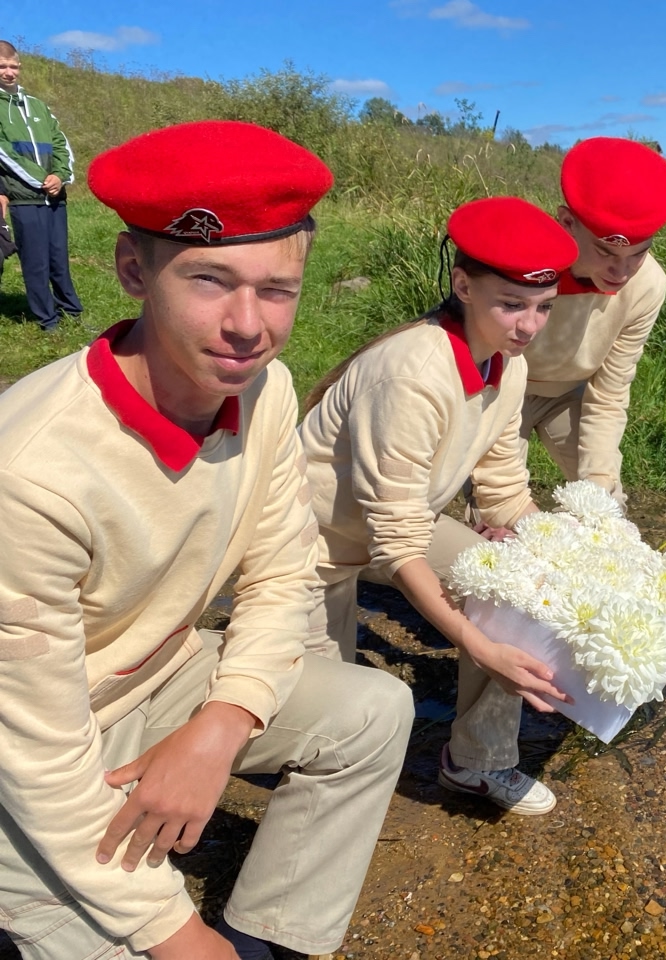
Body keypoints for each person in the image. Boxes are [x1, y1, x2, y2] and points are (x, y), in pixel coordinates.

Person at [0, 120, 414, 960]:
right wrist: (176, 932)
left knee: (374, 709)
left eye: (278, 289)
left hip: (164, 669)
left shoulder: (265, 390)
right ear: (132, 270)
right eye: (210, 281)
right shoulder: (31, 473)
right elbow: (36, 758)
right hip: (39, 736)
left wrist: (222, 723)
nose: (247, 326)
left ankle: (270, 935)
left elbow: (282, 570)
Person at [301, 196, 577, 816]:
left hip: (393, 526)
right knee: (325, 719)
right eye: (512, 304)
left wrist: (582, 559)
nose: (530, 325)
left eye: (544, 307)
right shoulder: (412, 375)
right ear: (464, 286)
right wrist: (478, 645)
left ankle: (477, 762)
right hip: (308, 543)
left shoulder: (508, 364)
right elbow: (396, 541)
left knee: (514, 584)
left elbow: (503, 491)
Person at [520, 136, 666, 507]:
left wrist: (598, 484)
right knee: (496, 517)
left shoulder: (648, 284)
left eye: (638, 254)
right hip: (498, 390)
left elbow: (609, 392)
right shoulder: (521, 263)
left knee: (607, 506)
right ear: (567, 223)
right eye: (605, 252)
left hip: (567, 392)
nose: (621, 273)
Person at [0, 40, 83, 330]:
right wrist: (40, 179)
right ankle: (47, 320)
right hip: (25, 197)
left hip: (55, 196)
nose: (9, 72)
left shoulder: (37, 105)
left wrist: (60, 175)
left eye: (13, 66)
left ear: (20, 67)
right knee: (36, 262)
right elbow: (4, 152)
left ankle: (71, 311)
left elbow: (61, 143)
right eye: (2, 66)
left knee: (59, 258)